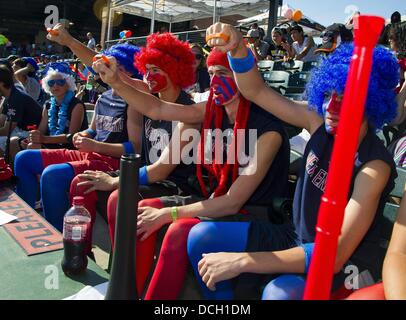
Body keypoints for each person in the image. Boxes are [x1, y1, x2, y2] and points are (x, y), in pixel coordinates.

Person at [186, 22, 399, 300]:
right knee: (201, 237)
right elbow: (255, 91)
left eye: (345, 100)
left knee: (279, 294)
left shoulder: (374, 166)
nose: (331, 108)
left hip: (342, 264)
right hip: (296, 237)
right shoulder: (317, 122)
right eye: (328, 95)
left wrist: (244, 260)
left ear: (370, 103)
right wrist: (238, 49)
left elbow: (335, 255)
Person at [91, 48, 290, 299]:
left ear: (245, 77)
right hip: (213, 198)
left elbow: (234, 201)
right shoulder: (208, 110)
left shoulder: (267, 130)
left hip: (254, 212)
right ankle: (131, 292)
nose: (215, 81)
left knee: (176, 230)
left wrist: (168, 213)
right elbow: (157, 109)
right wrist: (116, 82)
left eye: (224, 73)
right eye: (211, 73)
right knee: (139, 212)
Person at [69, 32, 198, 259]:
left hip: (175, 185)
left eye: (156, 69)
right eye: (147, 69)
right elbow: (107, 71)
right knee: (81, 183)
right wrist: (68, 41)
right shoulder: (147, 94)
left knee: (118, 198)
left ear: (175, 71)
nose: (149, 75)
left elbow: (161, 170)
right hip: (147, 174)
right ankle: (79, 252)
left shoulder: (189, 111)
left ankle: (125, 270)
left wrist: (114, 180)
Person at [14, 40, 143, 232]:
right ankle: (28, 221)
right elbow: (93, 130)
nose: (108, 72)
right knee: (23, 158)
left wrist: (95, 146)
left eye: (117, 68)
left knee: (52, 175)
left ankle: (58, 237)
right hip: (90, 154)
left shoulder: (135, 101)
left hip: (113, 163)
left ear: (130, 72)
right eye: (107, 67)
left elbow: (135, 147)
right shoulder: (104, 97)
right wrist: (83, 135)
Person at [19, 62, 88, 151]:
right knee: (16, 142)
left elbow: (72, 136)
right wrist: (32, 137)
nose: (55, 85)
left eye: (60, 82)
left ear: (68, 84)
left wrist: (44, 139)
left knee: (32, 147)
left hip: (70, 148)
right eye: (51, 83)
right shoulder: (48, 104)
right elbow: (42, 130)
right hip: (51, 144)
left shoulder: (76, 105)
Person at [0, 65, 42, 156]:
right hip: (20, 131)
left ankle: (11, 168)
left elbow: (7, 130)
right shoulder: (8, 96)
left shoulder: (16, 97)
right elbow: (1, 121)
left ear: (1, 83)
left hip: (32, 133)